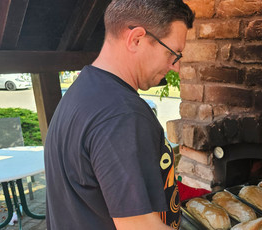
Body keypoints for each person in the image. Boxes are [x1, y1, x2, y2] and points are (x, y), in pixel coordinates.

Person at [44, 0, 194, 229]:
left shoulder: (84, 89)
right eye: (174, 53)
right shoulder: (122, 115)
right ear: (136, 39)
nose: (176, 67)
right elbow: (138, 226)